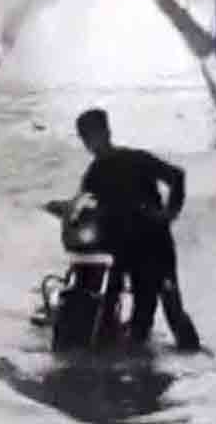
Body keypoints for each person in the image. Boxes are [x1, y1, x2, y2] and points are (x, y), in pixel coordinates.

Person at [67, 108, 202, 352]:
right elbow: (85, 204)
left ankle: (195, 359)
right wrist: (67, 211)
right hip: (120, 249)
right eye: (86, 137)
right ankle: (125, 360)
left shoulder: (136, 159)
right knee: (110, 304)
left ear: (107, 132)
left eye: (93, 135)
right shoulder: (94, 174)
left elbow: (176, 176)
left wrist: (169, 214)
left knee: (170, 306)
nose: (90, 142)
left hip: (155, 245)